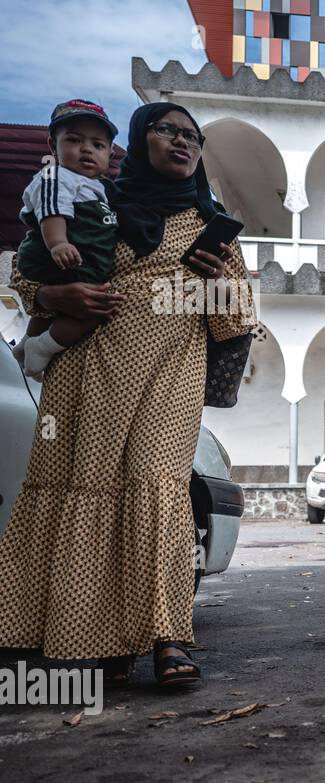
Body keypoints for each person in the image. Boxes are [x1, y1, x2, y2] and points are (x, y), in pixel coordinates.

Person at [0, 103, 256, 687]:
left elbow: (235, 321)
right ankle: (98, 636)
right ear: (140, 141)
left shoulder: (208, 222)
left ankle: (168, 639)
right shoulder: (94, 201)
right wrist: (59, 298)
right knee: (90, 489)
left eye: (193, 136)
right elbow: (26, 272)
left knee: (159, 488)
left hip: (172, 371)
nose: (182, 142)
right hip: (87, 371)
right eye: (167, 130)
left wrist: (221, 284)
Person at [13, 100, 119, 378]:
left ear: (110, 154)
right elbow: (52, 210)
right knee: (93, 310)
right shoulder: (55, 176)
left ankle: (28, 344)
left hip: (75, 261)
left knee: (54, 309)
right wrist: (58, 242)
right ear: (53, 145)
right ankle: (43, 347)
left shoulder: (99, 188)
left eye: (98, 145)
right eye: (74, 140)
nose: (86, 149)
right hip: (58, 256)